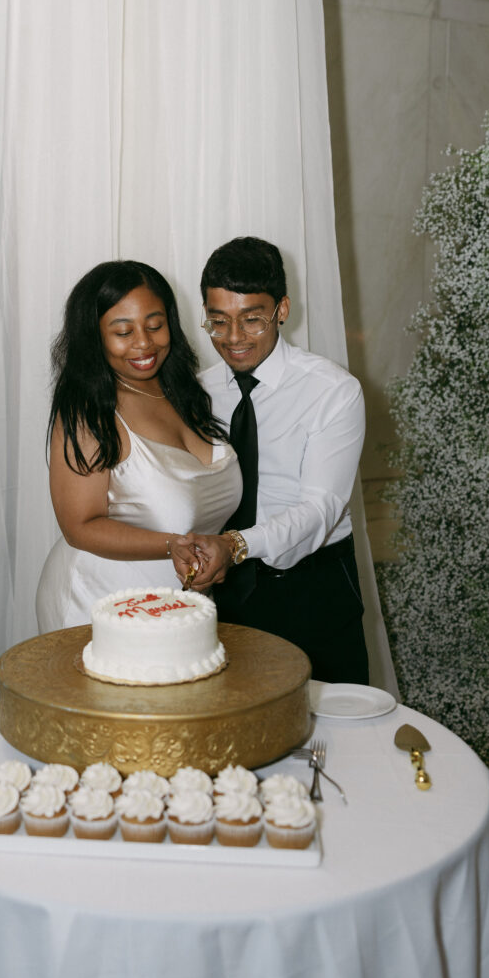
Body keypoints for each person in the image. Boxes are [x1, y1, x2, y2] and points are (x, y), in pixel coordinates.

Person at [183, 236, 369, 685]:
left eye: (252, 320)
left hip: (313, 591)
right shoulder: (197, 392)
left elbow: (321, 507)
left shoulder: (333, 391)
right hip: (223, 593)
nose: (233, 338)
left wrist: (237, 545)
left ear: (282, 310)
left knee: (332, 742)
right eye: (218, 321)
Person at [35, 259, 242, 633]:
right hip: (102, 604)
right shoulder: (90, 412)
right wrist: (174, 545)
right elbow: (79, 527)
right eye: (123, 331)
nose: (144, 343)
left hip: (183, 604)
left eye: (155, 325)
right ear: (95, 337)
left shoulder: (187, 391)